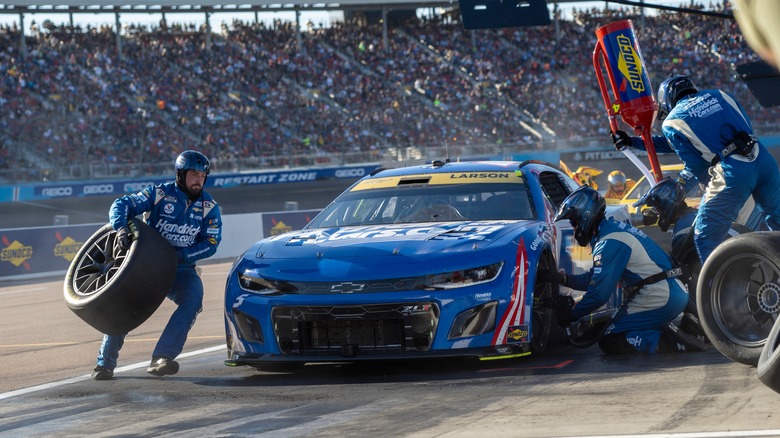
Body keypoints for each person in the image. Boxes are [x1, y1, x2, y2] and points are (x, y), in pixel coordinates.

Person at [611, 74, 780, 263]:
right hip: (764, 160)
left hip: (734, 172)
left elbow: (696, 167)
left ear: (666, 101)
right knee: (777, 224)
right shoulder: (721, 95)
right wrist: (634, 142)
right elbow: (740, 127)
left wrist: (676, 188)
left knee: (706, 237)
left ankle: (720, 290)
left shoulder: (672, 121)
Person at [91, 150, 222, 380]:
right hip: (146, 265)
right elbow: (121, 204)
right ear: (180, 174)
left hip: (181, 269)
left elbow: (211, 243)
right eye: (193, 174)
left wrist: (180, 256)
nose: (199, 179)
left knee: (194, 297)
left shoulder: (209, 206)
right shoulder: (159, 193)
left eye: (203, 175)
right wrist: (121, 228)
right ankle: (105, 364)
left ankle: (162, 358)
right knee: (124, 307)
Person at [539, 185, 705, 354]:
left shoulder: (609, 242)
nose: (574, 228)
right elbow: (596, 279)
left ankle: (670, 342)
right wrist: (562, 279)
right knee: (612, 328)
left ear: (585, 215)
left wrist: (572, 314)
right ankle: (687, 328)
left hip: (660, 295)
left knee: (610, 339)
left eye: (574, 222)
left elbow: (599, 295)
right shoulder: (612, 230)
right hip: (669, 291)